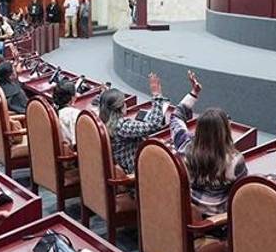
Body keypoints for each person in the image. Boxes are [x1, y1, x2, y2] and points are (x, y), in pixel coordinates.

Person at [170, 71, 246, 217]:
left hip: (186, 213)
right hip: (216, 223)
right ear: (225, 131)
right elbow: (242, 196)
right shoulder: (235, 161)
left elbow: (176, 116)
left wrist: (194, 93)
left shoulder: (184, 146)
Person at [99, 72, 166, 174]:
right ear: (120, 108)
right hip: (134, 171)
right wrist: (157, 95)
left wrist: (106, 94)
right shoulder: (122, 126)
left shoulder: (101, 120)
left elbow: (103, 103)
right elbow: (154, 125)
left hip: (117, 166)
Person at [52, 78, 81, 148]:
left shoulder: (52, 111)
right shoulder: (74, 114)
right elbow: (76, 144)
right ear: (72, 98)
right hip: (71, 154)